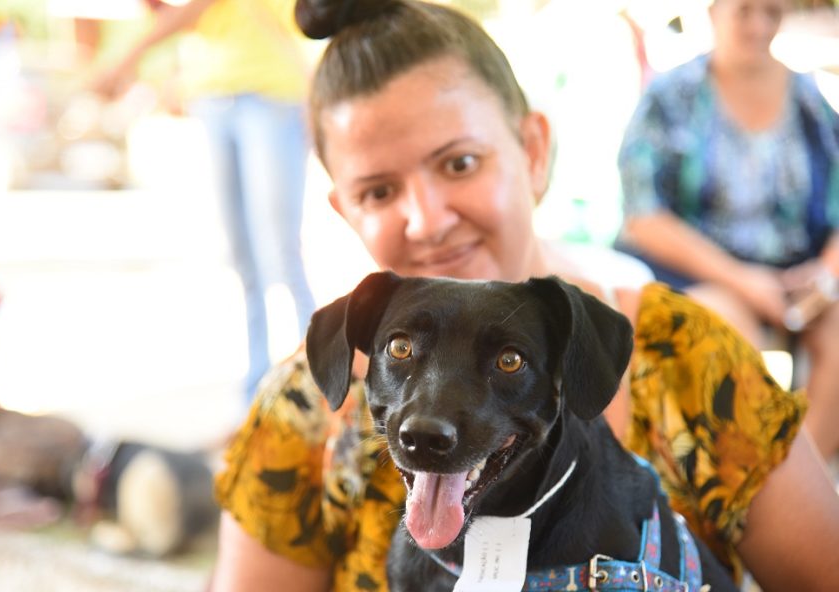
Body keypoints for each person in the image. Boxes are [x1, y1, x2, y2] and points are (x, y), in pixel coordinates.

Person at [208, 1, 839, 591]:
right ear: (343, 210)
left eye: (458, 164)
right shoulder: (299, 417)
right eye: (378, 192)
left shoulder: (692, 362)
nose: (427, 219)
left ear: (534, 151)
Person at [615, 0, 839, 460]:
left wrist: (826, 274)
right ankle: (742, 483)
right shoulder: (672, 97)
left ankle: (800, 481)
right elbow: (643, 216)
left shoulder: (809, 100)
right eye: (745, 12)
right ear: (714, 12)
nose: (759, 26)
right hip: (702, 270)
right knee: (723, 334)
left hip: (796, 273)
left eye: (771, 13)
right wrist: (745, 281)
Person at [93, 0, 317, 402]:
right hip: (214, 97)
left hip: (272, 95)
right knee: (240, 258)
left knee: (281, 254)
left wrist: (125, 59)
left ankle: (319, 387)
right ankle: (255, 399)